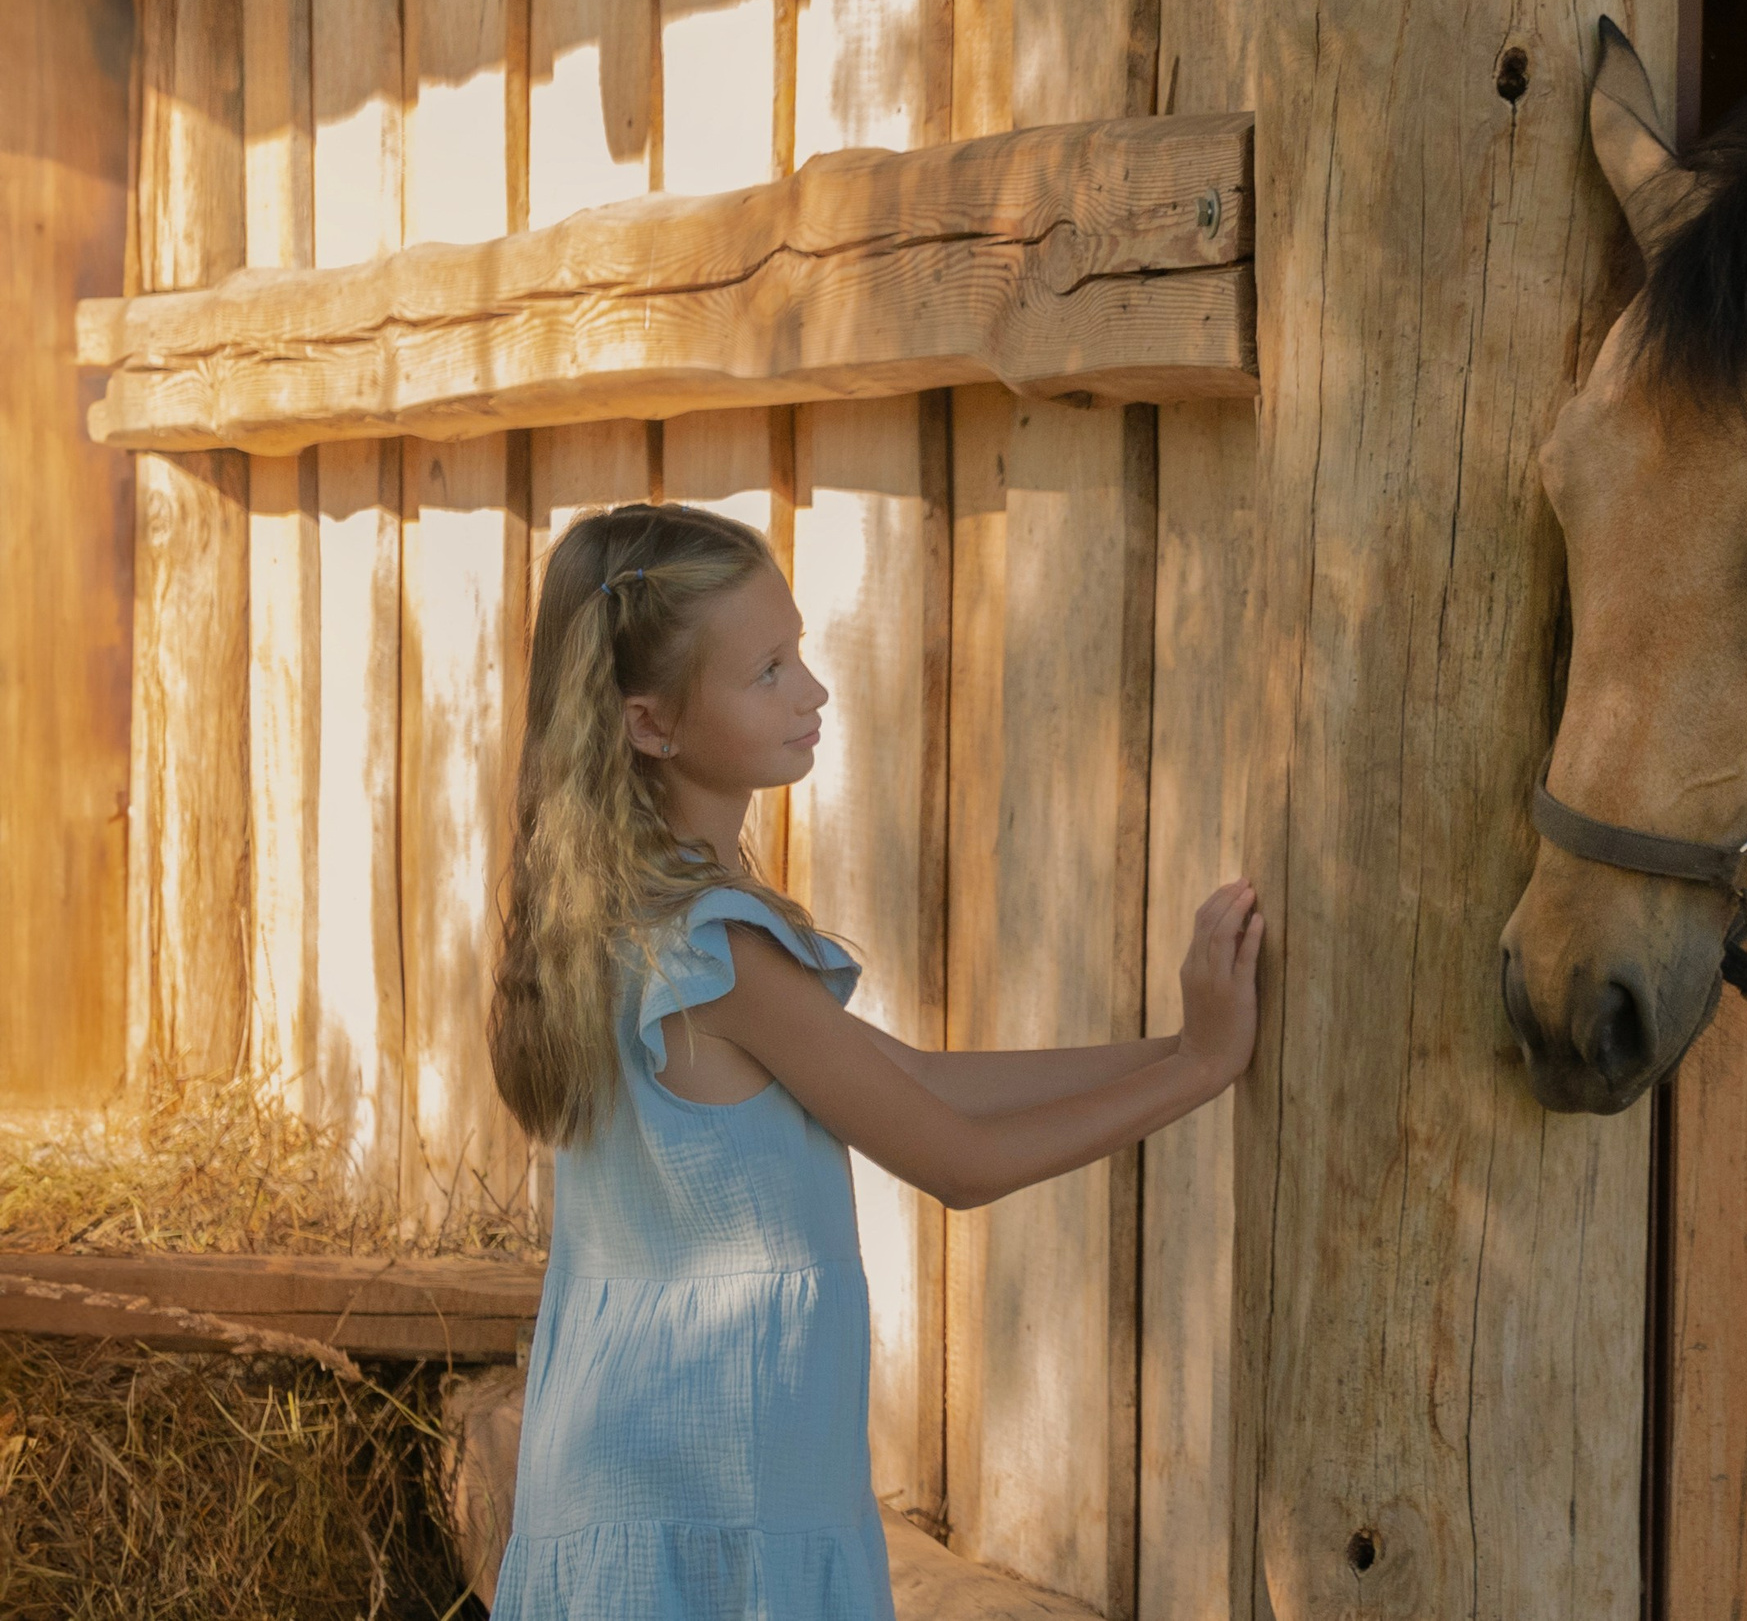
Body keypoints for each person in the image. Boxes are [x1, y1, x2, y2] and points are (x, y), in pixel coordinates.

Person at [483, 502, 1261, 1619]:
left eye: (797, 652)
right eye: (767, 672)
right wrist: (1198, 1075)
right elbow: (955, 1160)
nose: (813, 690)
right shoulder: (717, 950)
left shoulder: (613, 921)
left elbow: (914, 1081)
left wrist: (1180, 1044)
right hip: (724, 1495)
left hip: (630, 1482)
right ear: (651, 725)